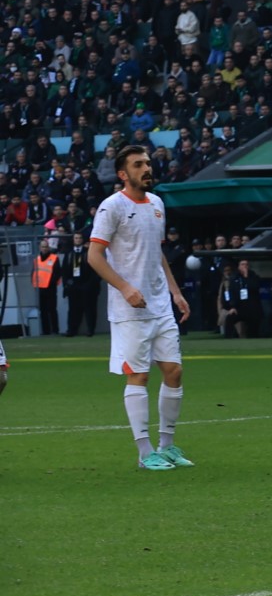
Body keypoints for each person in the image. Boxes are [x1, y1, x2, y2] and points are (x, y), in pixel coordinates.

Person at [87, 146, 193, 472]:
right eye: (138, 165)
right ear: (123, 174)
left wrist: (175, 292)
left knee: (173, 372)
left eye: (147, 163)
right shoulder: (111, 207)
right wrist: (126, 288)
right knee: (139, 375)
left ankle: (167, 445)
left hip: (160, 303)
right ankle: (145, 453)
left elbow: (156, 254)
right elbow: (94, 257)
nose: (146, 168)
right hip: (129, 308)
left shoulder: (158, 204)